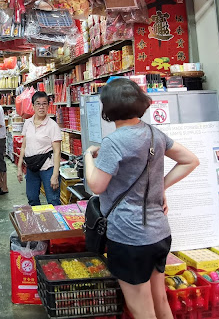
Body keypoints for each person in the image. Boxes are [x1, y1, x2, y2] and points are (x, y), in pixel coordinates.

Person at [84, 78, 199, 319]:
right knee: (160, 302)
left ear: (108, 108)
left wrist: (88, 157)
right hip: (159, 234)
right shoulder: (154, 133)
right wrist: (159, 186)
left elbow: (97, 185)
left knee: (142, 309)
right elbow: (190, 160)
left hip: (129, 237)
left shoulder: (113, 142)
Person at [17, 91, 62, 205]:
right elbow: (24, 147)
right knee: (32, 198)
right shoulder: (27, 123)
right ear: (33, 106)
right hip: (31, 167)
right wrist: (19, 167)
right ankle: (39, 222)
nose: (41, 107)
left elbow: (57, 152)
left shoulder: (52, 126)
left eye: (44, 103)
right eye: (38, 103)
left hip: (48, 168)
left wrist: (55, 175)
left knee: (53, 201)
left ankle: (55, 223)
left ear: (48, 105)